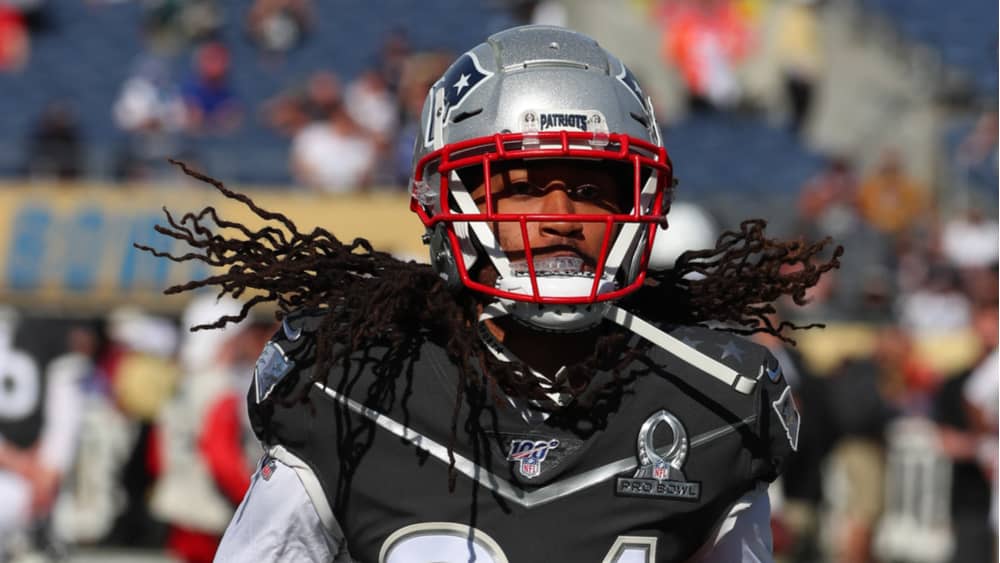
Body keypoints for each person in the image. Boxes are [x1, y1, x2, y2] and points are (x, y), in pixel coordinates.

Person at [141, 26, 841, 562]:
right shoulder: (349, 383)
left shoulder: (714, 402)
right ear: (450, 199)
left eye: (594, 189)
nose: (563, 214)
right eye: (527, 185)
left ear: (641, 204)